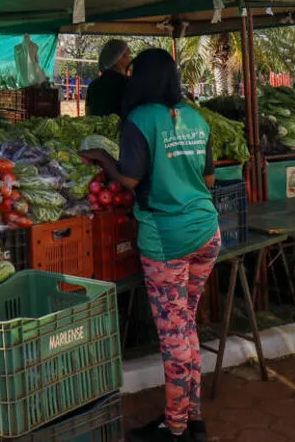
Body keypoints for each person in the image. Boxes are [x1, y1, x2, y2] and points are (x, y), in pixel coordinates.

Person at [81, 48, 217, 442]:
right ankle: (194, 419)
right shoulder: (195, 117)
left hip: (166, 238)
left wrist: (103, 157)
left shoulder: (140, 119)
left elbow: (129, 181)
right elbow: (208, 181)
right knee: (186, 326)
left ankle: (174, 428)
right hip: (206, 230)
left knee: (174, 336)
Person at [85, 39, 132, 118]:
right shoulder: (129, 84)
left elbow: (88, 114)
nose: (130, 59)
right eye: (128, 55)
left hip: (98, 129)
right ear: (119, 58)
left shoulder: (94, 85)